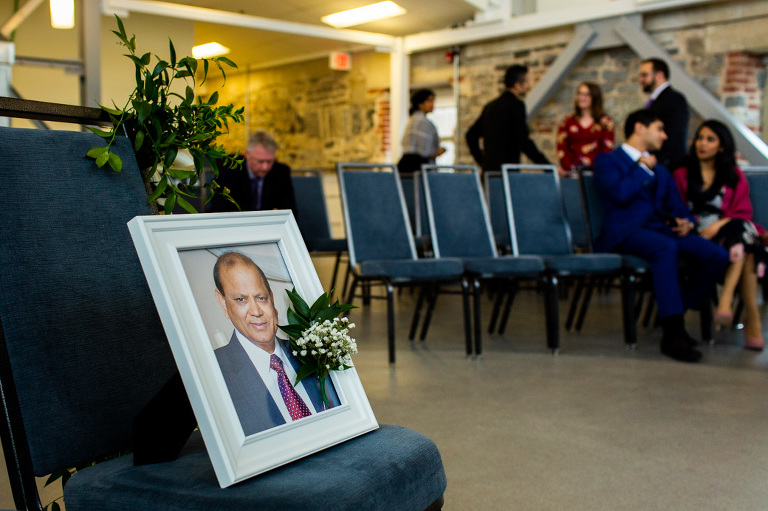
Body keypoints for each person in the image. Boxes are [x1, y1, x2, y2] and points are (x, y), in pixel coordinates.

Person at [593, 109, 729, 363]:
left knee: (716, 255)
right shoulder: (607, 161)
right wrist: (643, 169)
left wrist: (687, 222)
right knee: (665, 248)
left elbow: (677, 207)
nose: (665, 136)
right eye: (660, 128)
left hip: (660, 230)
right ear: (640, 128)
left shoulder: (662, 171)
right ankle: (673, 333)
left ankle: (674, 309)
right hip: (625, 233)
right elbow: (619, 194)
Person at [213, 251, 340, 436]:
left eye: (261, 297)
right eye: (241, 300)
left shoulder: (309, 351)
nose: (256, 311)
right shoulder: (213, 371)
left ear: (272, 298)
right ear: (223, 304)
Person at [672, 120, 767, 351]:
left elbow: (742, 212)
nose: (702, 144)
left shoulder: (733, 175)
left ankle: (726, 302)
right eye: (700, 138)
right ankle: (751, 320)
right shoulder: (682, 173)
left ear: (721, 147)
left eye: (710, 139)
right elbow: (675, 208)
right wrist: (695, 225)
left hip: (728, 234)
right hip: (696, 235)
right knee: (747, 245)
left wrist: (721, 223)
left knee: (740, 235)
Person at [466, 64, 550, 171]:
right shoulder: (516, 105)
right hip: (507, 173)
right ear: (517, 85)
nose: (528, 86)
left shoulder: (490, 107)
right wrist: (547, 166)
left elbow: (470, 135)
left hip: (489, 173)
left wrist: (482, 161)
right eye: (527, 82)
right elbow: (524, 141)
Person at [207, 131, 297, 217]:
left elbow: (290, 213)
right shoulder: (228, 170)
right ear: (247, 154)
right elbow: (219, 209)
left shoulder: (281, 172)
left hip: (268, 227)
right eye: (260, 161)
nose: (265, 167)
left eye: (269, 161)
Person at [639, 58, 690, 169]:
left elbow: (675, 135)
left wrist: (657, 161)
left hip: (667, 166)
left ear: (659, 75)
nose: (640, 80)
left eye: (644, 75)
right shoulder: (656, 100)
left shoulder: (674, 98)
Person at [555, 82, 614, 175]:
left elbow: (607, 150)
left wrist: (599, 171)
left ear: (594, 98)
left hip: (597, 175)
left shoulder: (605, 122)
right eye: (579, 94)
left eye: (586, 95)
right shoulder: (567, 122)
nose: (582, 98)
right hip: (571, 174)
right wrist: (570, 170)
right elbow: (562, 148)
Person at [397, 89, 446, 174]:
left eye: (433, 101)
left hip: (408, 165)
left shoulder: (413, 119)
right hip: (418, 167)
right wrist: (438, 152)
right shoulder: (422, 122)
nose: (432, 104)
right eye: (429, 101)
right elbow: (425, 152)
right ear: (420, 103)